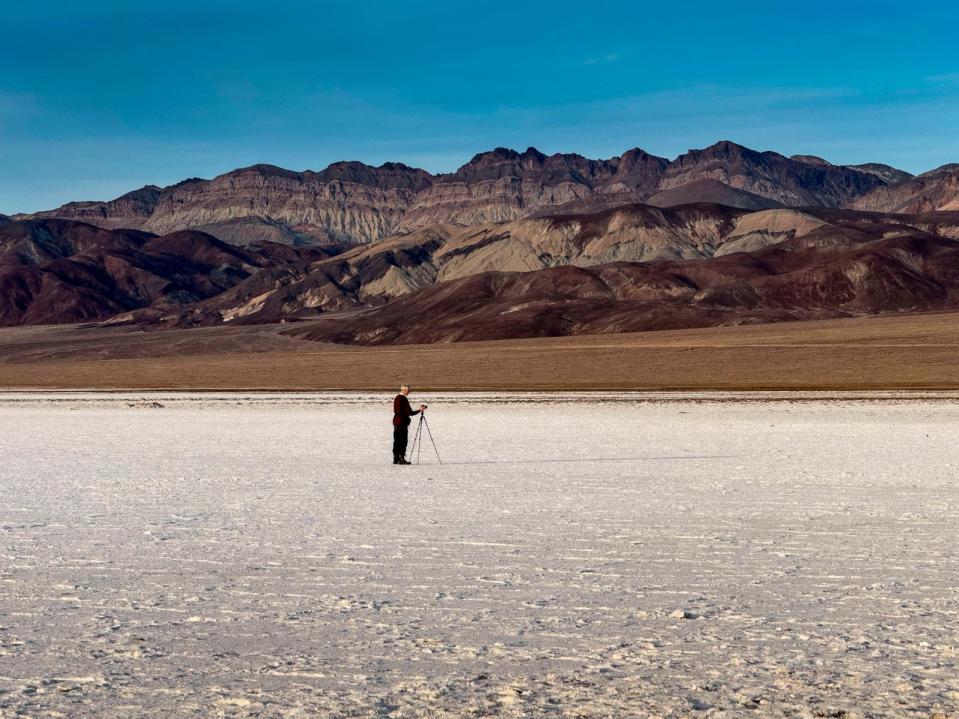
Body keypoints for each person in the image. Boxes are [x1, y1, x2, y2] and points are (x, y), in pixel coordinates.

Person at [392, 385, 427, 465]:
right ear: (404, 390)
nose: (409, 392)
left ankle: (396, 459)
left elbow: (398, 411)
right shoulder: (402, 398)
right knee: (402, 441)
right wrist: (420, 410)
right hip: (402, 423)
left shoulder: (397, 398)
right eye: (408, 390)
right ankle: (401, 459)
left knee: (397, 441)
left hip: (397, 422)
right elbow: (409, 412)